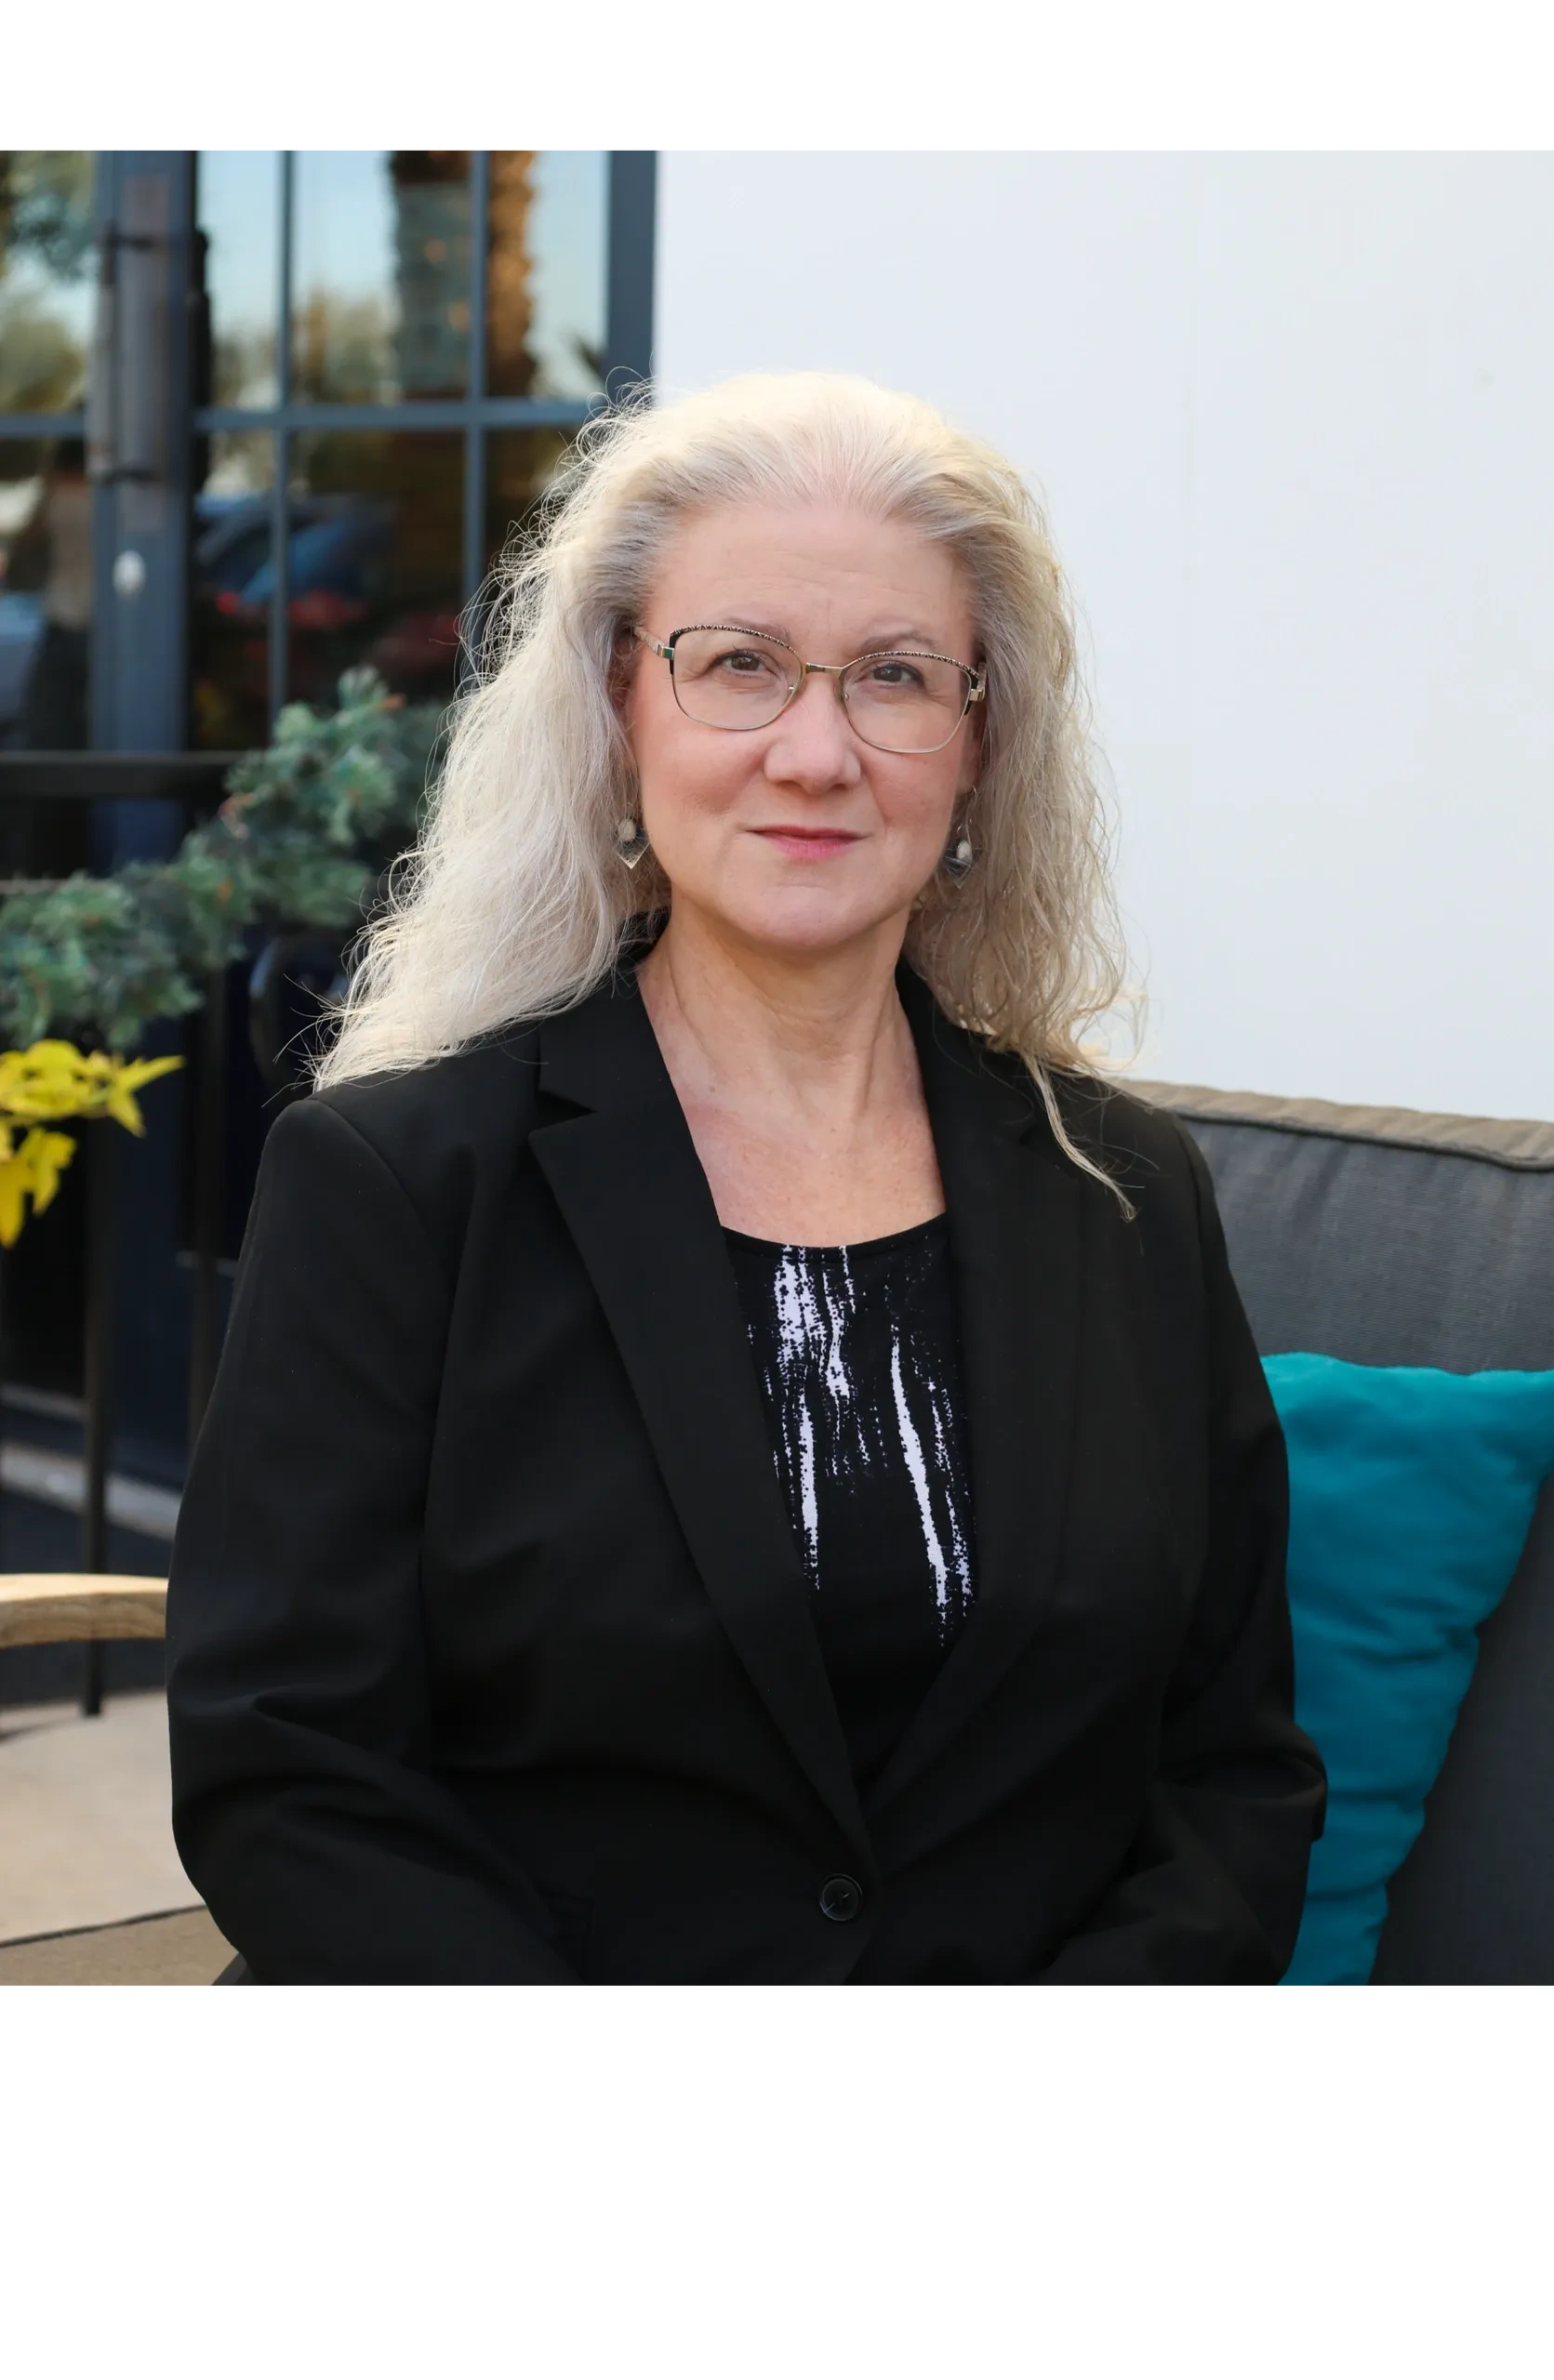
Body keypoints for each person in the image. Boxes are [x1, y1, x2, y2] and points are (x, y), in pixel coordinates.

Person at [166, 374, 1325, 1984]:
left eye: (895, 677)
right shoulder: (396, 1179)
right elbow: (287, 1768)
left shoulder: (1124, 1191)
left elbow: (1231, 1769)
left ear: (977, 743)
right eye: (737, 666)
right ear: (618, 713)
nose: (815, 749)